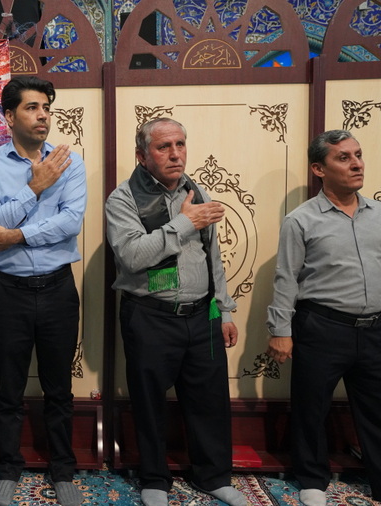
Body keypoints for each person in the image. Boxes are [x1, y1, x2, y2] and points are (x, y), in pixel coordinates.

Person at [265, 130, 381, 506]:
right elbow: (286, 279)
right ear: (319, 169)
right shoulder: (300, 220)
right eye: (344, 158)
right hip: (321, 327)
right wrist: (280, 330)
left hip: (374, 329)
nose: (356, 164)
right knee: (311, 407)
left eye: (358, 155)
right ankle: (312, 480)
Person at [105, 118, 246, 506]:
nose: (175, 154)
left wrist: (224, 310)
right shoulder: (123, 199)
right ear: (142, 156)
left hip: (203, 315)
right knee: (149, 401)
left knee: (210, 400)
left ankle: (213, 476)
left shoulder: (195, 191)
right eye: (163, 147)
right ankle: (154, 479)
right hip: (150, 316)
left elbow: (212, 255)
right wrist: (186, 222)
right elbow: (132, 256)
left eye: (180, 144)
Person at [0, 75, 87, 506]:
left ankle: (63, 470)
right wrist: (35, 186)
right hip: (10, 293)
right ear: (9, 116)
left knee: (59, 388)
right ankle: (8, 468)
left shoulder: (69, 162)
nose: (43, 116)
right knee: (9, 389)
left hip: (58, 289)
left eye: (47, 108)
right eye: (32, 107)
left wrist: (17, 235)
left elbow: (70, 223)